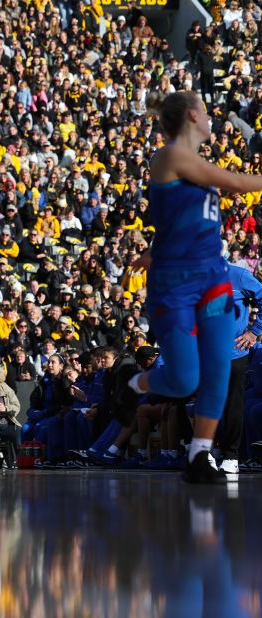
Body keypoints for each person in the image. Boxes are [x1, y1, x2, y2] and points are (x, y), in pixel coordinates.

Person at [129, 91, 262, 483]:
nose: (210, 119)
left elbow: (177, 221)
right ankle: (132, 384)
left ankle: (200, 456)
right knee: (186, 378)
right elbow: (238, 182)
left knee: (220, 365)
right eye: (205, 113)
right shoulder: (170, 156)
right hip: (176, 285)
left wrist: (156, 251)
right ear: (192, 116)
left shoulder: (192, 165)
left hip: (213, 277)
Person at [217, 264, 262, 475]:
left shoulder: (239, 275)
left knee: (233, 403)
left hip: (234, 351)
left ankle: (230, 456)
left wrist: (254, 332)